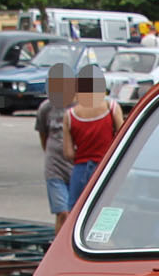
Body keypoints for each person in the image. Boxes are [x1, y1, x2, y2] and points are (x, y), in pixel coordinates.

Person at [61, 66, 124, 205]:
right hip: (106, 167)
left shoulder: (70, 115)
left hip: (80, 170)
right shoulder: (111, 107)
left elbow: (68, 153)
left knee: (77, 211)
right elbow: (123, 138)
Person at [34, 84, 73, 230]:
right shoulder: (46, 108)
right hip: (55, 168)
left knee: (76, 213)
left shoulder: (80, 108)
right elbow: (43, 135)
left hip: (77, 167)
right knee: (62, 212)